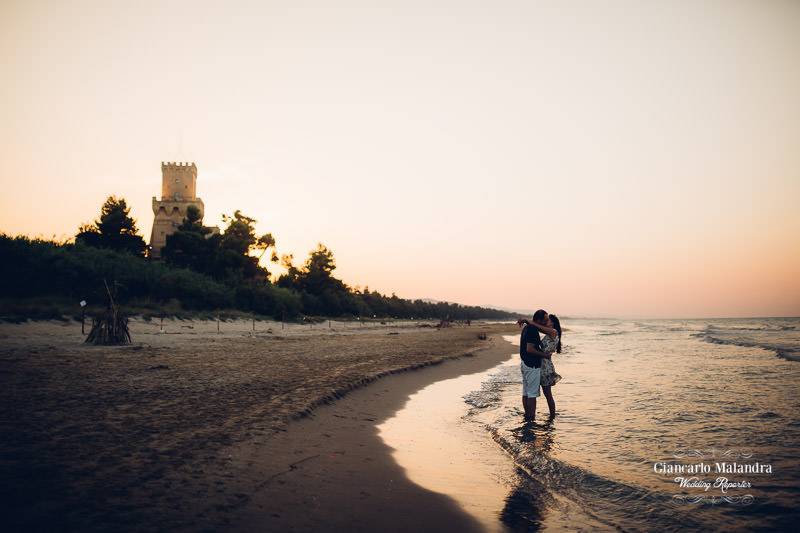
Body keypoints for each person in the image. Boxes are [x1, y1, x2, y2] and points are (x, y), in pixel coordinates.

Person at [518, 312, 562, 418]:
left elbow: (537, 326)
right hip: (538, 364)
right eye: (545, 320)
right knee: (531, 393)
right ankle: (529, 416)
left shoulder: (553, 332)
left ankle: (552, 417)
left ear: (553, 324)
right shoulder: (548, 333)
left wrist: (528, 321)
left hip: (545, 367)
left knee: (548, 395)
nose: (546, 322)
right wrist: (527, 321)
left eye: (548, 320)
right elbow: (537, 327)